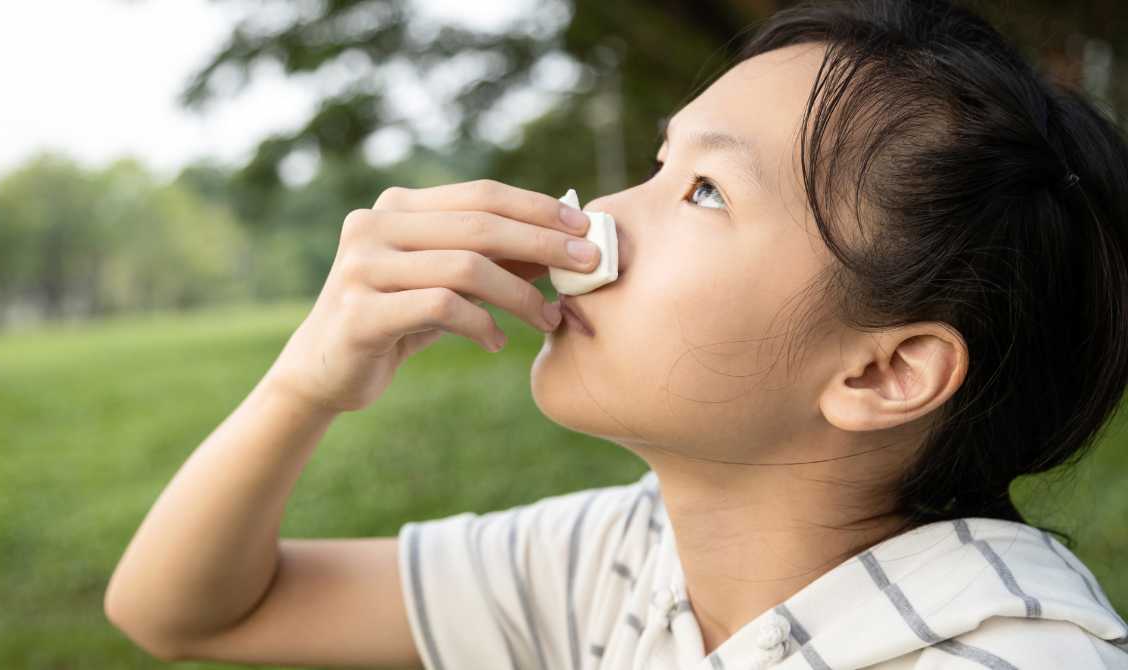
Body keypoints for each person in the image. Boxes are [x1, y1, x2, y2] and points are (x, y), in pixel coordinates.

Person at [104, 0, 1128, 667]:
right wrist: (306, 382)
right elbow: (189, 612)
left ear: (883, 369)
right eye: (656, 161)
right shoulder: (622, 557)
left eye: (704, 190)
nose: (597, 216)